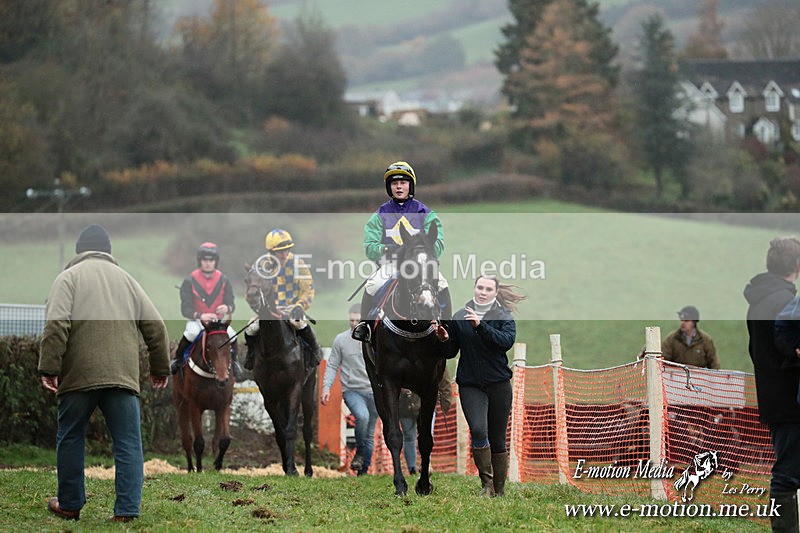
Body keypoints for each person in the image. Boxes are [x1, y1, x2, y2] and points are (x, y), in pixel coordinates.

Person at [38, 224, 170, 522]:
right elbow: (157, 328)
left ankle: (69, 505)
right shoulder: (128, 281)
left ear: (79, 251)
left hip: (78, 377)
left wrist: (49, 367)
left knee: (70, 436)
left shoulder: (68, 278)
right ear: (108, 251)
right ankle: (126, 511)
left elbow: (56, 325)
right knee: (128, 442)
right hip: (122, 378)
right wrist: (159, 368)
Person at [443, 275, 526, 497]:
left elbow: (504, 342)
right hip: (470, 384)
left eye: (488, 289)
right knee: (479, 430)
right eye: (480, 287)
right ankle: (486, 485)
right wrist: (441, 336)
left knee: (498, 437)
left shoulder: (502, 316)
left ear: (495, 292)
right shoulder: (460, 316)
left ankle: (500, 489)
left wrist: (480, 326)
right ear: (474, 289)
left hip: (498, 383)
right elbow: (450, 352)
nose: (483, 292)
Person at [351, 161, 450, 343]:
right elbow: (370, 247)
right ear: (389, 187)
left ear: (410, 185)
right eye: (394, 183)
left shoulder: (426, 213)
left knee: (442, 284)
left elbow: (438, 245)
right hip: (390, 264)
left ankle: (447, 327)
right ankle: (365, 327)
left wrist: (418, 254)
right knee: (372, 284)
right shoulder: (379, 215)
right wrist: (388, 249)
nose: (399, 186)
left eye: (403, 182)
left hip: (419, 264)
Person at [744, 236, 800, 532]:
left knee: (788, 469)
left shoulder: (761, 299)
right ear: (796, 265)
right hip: (791, 398)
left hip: (772, 396)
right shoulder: (785, 302)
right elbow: (790, 351)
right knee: (787, 474)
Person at [243, 229, 321, 371]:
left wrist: (299, 307)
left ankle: (314, 353)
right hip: (268, 310)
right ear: (271, 251)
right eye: (280, 251)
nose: (284, 254)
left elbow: (308, 290)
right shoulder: (260, 266)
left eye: (287, 250)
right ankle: (250, 355)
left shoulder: (299, 264)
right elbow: (251, 293)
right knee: (251, 328)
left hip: (292, 308)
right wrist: (260, 309)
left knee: (300, 324)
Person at [321, 304, 378, 476]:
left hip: (374, 391)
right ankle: (360, 454)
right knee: (362, 416)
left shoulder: (374, 339)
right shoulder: (341, 340)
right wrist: (326, 388)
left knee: (369, 435)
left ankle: (363, 472)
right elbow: (332, 366)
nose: (354, 324)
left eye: (357, 320)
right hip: (353, 390)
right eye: (351, 320)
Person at [170, 242, 240, 378]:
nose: (208, 263)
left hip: (218, 323)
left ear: (216, 262)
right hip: (197, 321)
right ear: (199, 261)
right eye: (205, 260)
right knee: (191, 333)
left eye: (211, 260)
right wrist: (201, 314)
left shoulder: (224, 280)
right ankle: (178, 360)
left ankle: (235, 362)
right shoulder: (190, 280)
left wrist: (227, 307)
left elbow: (231, 302)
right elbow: (185, 309)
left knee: (233, 335)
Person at [399, 368, 454, 475]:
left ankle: (426, 463)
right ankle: (412, 468)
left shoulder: (433, 356)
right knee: (409, 437)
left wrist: (446, 402)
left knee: (427, 434)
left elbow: (444, 380)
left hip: (426, 405)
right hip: (405, 407)